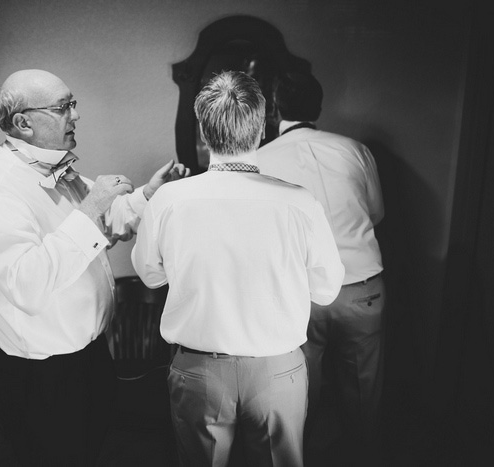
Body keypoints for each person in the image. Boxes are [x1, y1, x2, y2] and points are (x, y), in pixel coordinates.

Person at [0, 69, 188, 466]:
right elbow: (27, 283)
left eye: (72, 104)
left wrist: (148, 195)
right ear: (23, 123)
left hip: (89, 354)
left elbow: (107, 220)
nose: (75, 115)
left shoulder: (55, 166)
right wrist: (92, 206)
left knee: (90, 449)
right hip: (41, 372)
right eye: (63, 107)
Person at [131, 70, 344, 467]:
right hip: (277, 371)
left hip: (199, 372)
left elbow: (149, 274)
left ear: (204, 131)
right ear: (262, 129)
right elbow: (328, 289)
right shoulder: (300, 203)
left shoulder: (169, 200)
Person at [258, 71, 386, 465]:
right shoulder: (355, 150)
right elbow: (377, 214)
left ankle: (306, 457)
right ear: (318, 107)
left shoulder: (260, 160)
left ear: (275, 109)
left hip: (302, 293)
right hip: (362, 288)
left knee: (301, 388)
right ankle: (363, 457)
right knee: (364, 388)